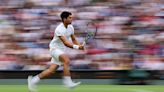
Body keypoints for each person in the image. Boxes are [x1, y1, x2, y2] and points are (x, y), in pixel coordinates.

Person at [28, 11, 84, 92]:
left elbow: (74, 39)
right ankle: (68, 82)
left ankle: (33, 81)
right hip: (54, 49)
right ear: (64, 19)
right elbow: (66, 43)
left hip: (61, 50)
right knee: (66, 60)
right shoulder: (59, 29)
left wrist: (79, 46)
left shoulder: (71, 27)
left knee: (51, 71)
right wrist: (77, 47)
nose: (72, 19)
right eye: (70, 17)